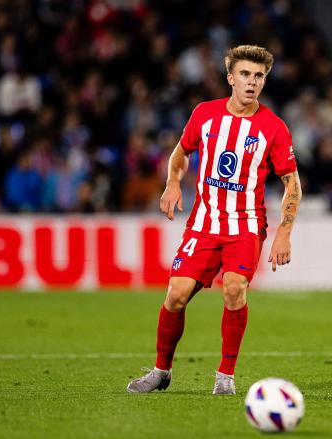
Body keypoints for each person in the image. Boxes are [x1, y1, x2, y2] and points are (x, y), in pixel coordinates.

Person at [127, 45, 302, 395]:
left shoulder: (274, 127)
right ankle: (162, 371)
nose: (251, 82)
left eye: (258, 76)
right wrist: (173, 182)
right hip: (204, 224)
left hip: (246, 225)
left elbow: (291, 183)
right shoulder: (205, 115)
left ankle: (225, 377)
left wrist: (284, 231)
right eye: (245, 75)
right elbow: (180, 153)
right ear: (230, 78)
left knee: (235, 289)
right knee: (175, 295)